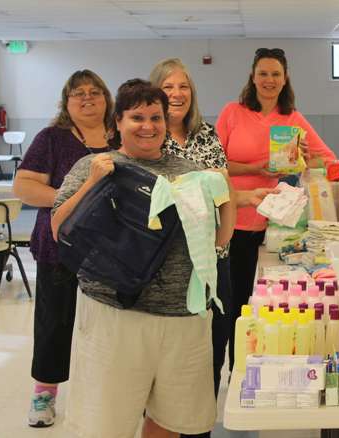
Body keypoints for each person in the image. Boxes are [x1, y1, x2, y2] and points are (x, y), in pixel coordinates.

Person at [51, 79, 236, 438]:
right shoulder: (97, 165)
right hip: (115, 315)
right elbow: (59, 229)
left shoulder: (188, 170)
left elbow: (219, 240)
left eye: (156, 117)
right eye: (137, 117)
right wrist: (92, 183)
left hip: (182, 316)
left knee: (169, 420)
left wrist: (226, 191)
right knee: (105, 424)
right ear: (117, 121)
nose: (148, 126)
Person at [149, 58, 274, 438]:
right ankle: (172, 424)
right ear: (156, 92)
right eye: (168, 87)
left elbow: (221, 191)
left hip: (214, 260)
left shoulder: (204, 133)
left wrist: (226, 234)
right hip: (171, 264)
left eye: (183, 86)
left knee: (214, 343)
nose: (176, 94)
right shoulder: (149, 137)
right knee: (176, 356)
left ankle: (200, 424)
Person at [215, 47, 337, 369]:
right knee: (236, 303)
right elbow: (215, 165)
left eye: (276, 74)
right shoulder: (232, 112)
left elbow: (329, 159)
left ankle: (271, 367)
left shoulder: (293, 119)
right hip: (235, 222)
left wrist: (304, 157)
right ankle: (236, 369)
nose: (269, 80)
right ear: (253, 77)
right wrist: (258, 167)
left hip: (278, 229)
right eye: (263, 73)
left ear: (285, 80)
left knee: (279, 306)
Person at [13, 69, 114, 428]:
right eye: (78, 94)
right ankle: (44, 393)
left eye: (94, 92)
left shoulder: (121, 135)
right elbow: (24, 187)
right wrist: (75, 199)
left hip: (112, 253)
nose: (87, 99)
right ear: (66, 102)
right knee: (55, 322)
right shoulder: (51, 139)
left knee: (107, 328)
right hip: (60, 249)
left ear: (106, 98)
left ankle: (105, 392)